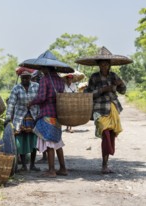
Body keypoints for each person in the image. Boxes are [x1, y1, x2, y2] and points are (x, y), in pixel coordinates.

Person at [75, 46, 132, 174]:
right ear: (98, 65)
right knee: (105, 133)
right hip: (99, 108)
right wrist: (102, 90)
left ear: (109, 65)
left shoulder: (114, 76)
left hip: (113, 107)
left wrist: (120, 83)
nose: (104, 66)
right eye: (102, 64)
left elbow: (122, 91)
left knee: (110, 135)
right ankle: (104, 164)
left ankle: (105, 164)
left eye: (106, 64)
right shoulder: (94, 77)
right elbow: (88, 94)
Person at [26, 50, 72, 178]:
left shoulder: (45, 80)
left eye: (41, 67)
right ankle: (63, 168)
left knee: (49, 142)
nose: (40, 70)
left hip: (47, 113)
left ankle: (51, 170)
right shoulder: (59, 80)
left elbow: (41, 97)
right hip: (57, 114)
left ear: (44, 67)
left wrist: (31, 103)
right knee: (57, 142)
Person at [5, 67, 39, 172]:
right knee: (21, 141)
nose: (24, 80)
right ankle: (24, 165)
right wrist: (8, 117)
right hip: (20, 117)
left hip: (33, 116)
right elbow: (11, 103)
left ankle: (32, 164)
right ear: (20, 78)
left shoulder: (36, 86)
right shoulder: (16, 88)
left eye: (26, 78)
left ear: (30, 78)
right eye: (22, 78)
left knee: (34, 140)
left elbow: (40, 100)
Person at [31, 70, 47, 163]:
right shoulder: (37, 85)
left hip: (41, 111)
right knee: (40, 135)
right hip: (38, 111)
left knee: (42, 134)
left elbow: (40, 98)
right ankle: (44, 155)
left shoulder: (40, 85)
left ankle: (45, 155)